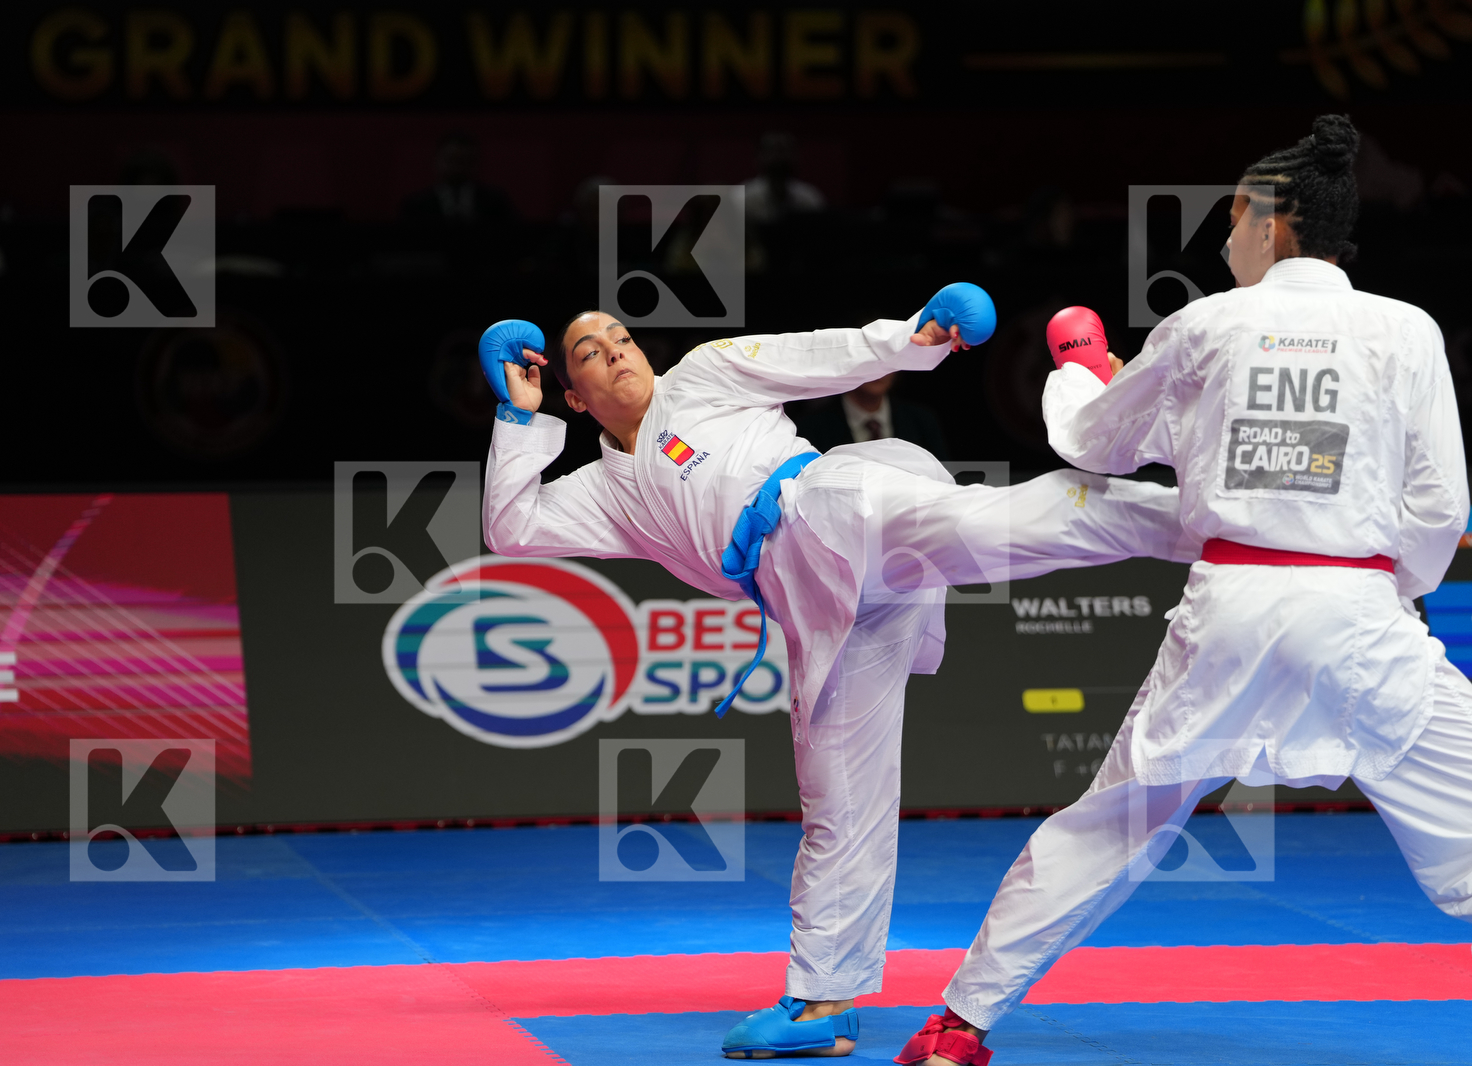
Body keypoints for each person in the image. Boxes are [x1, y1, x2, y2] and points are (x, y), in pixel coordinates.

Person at [479, 287, 1200, 1060]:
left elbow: (822, 353)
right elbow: (511, 528)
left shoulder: (703, 373)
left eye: (620, 338)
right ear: (575, 398)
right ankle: (822, 1002)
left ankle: (1202, 521)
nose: (616, 352)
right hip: (813, 602)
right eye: (590, 353)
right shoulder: (602, 491)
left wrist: (915, 335)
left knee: (996, 526)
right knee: (838, 799)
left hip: (834, 507)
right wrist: (517, 417)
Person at [912, 115, 1471, 1066]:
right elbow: (1439, 504)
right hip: (1359, 618)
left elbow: (1094, 444)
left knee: (1111, 824)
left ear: (1273, 223)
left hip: (1230, 611)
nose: (1224, 238)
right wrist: (1386, 592)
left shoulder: (1207, 324)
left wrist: (1079, 374)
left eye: (1234, 216)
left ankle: (959, 1027)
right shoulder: (1406, 329)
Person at [791, 371, 950, 458]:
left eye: (887, 359)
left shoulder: (921, 420)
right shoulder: (812, 427)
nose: (878, 369)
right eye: (870, 360)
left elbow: (943, 481)